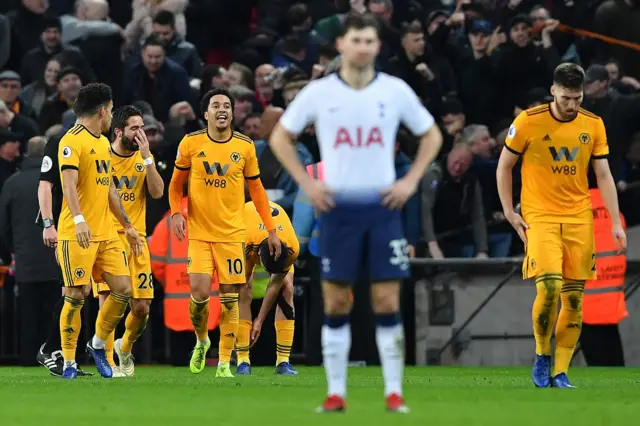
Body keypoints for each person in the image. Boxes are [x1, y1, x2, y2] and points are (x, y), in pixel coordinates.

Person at [269, 13, 443, 413]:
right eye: (356, 40)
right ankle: (335, 393)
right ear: (342, 45)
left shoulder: (395, 90)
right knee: (336, 302)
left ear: (377, 46)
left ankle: (394, 392)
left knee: (386, 301)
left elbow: (432, 135)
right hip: (338, 208)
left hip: (382, 209)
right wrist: (308, 184)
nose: (363, 47)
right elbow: (280, 136)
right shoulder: (320, 93)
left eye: (369, 41)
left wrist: (410, 180)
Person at [496, 63, 627, 389]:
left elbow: (604, 175)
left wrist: (615, 222)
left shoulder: (592, 125)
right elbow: (504, 167)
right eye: (566, 97)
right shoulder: (528, 122)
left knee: (573, 299)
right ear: (553, 91)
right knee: (549, 287)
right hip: (540, 217)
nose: (572, 105)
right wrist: (509, 213)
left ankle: (561, 370)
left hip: (579, 218)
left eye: (577, 98)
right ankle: (542, 355)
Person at [168, 88, 281, 378]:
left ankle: (223, 364)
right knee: (200, 294)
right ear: (205, 113)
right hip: (200, 234)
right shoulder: (191, 143)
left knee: (231, 297)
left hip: (232, 235)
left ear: (232, 113)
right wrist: (176, 213)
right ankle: (202, 339)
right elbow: (175, 185)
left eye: (227, 106)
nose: (222, 109)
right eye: (216, 105)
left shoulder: (245, 146)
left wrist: (271, 230)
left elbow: (256, 191)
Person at [56, 83, 144, 379]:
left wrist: (128, 227)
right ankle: (69, 363)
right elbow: (68, 185)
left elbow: (109, 188)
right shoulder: (71, 140)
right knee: (76, 294)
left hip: (106, 232)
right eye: (111, 109)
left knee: (122, 290)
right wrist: (80, 220)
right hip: (76, 232)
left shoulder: (103, 143)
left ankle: (96, 344)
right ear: (104, 110)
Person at [91, 105, 164, 377]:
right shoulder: (101, 156)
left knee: (142, 308)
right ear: (118, 130)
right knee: (110, 298)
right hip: (108, 238)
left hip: (137, 240)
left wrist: (147, 159)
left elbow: (157, 193)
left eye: (142, 127)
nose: (140, 133)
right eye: (135, 128)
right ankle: (107, 362)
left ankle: (125, 346)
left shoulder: (143, 158)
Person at [235, 200, 300, 376]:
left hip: (277, 233)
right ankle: (242, 359)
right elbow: (240, 286)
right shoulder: (247, 244)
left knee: (287, 287)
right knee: (243, 289)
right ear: (259, 259)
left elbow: (275, 284)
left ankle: (283, 361)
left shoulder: (292, 247)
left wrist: (260, 320)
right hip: (243, 224)